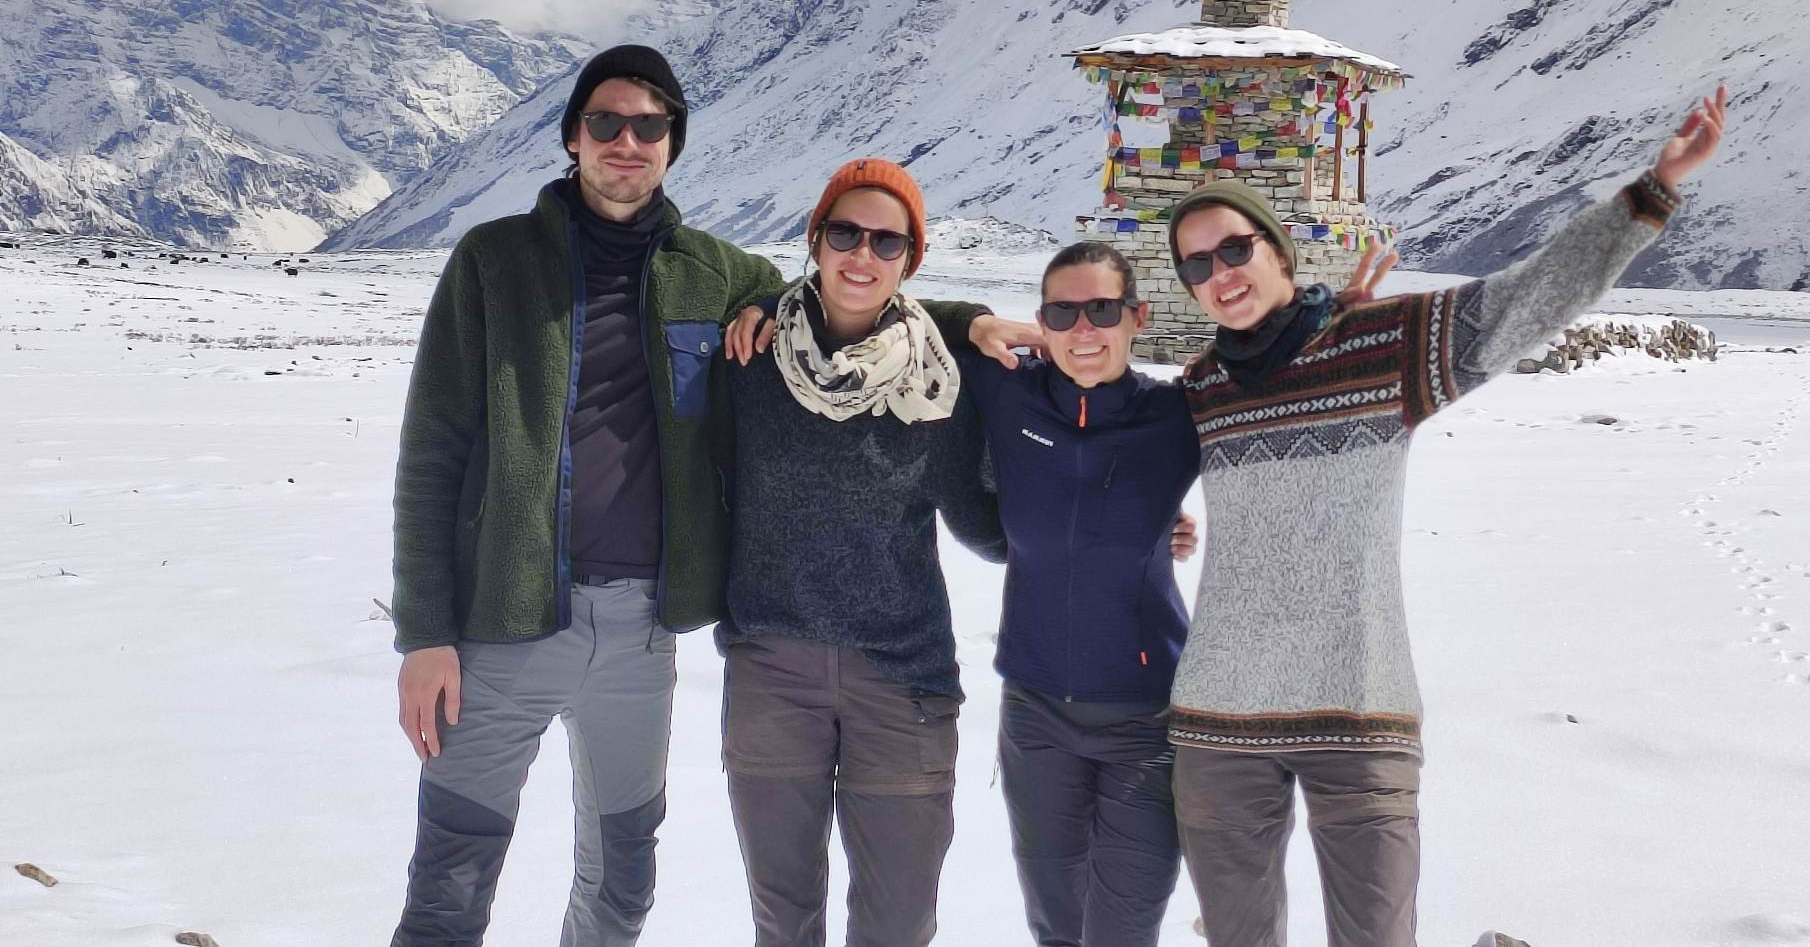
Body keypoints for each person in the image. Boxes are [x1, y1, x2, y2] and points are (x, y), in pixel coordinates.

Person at [386, 53, 1013, 946]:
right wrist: (424, 632)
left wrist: (963, 319)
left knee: (622, 881)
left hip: (642, 629)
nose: (627, 143)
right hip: (501, 620)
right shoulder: (492, 263)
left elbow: (856, 300)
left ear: (673, 146)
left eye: (649, 127)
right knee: (450, 881)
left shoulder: (714, 274)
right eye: (606, 124)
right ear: (572, 137)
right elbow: (431, 450)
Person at [1164, 87, 1729, 947]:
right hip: (1218, 722)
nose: (1219, 275)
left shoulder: (1382, 348)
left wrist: (1650, 193)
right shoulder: (1199, 391)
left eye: (1233, 249)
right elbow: (1100, 445)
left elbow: (1525, 300)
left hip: (1361, 707)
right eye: (1195, 266)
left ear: (1277, 251)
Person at [715, 158, 1008, 947]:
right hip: (773, 670)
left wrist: (1097, 490)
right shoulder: (749, 357)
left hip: (902, 679)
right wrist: (754, 303)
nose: (862, 255)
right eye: (845, 232)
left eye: (888, 242)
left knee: (897, 924)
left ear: (910, 260)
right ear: (815, 239)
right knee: (784, 919)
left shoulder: (939, 382)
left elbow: (989, 530)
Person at [963, 240, 1198, 947]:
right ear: (1040, 323)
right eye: (1062, 314)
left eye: (1101, 309)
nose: (1083, 330)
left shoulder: (1176, 415)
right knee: (1056, 927)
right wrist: (972, 320)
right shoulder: (1007, 392)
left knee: (1124, 930)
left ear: (1137, 316)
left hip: (1146, 722)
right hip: (1035, 718)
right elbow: (886, 311)